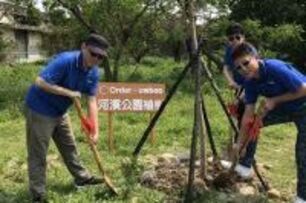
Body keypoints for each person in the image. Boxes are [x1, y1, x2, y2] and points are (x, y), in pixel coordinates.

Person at [24, 33, 109, 203]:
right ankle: (38, 194)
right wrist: (68, 93)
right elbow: (39, 82)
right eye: (93, 54)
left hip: (60, 112)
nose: (96, 59)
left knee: (70, 146)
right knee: (39, 153)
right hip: (40, 109)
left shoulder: (93, 72)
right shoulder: (66, 61)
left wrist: (95, 130)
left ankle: (82, 178)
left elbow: (92, 101)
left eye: (100, 57)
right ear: (83, 47)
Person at [232, 42, 306, 203]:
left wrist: (275, 99)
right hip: (284, 109)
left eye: (246, 63)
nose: (243, 69)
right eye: (238, 67)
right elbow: (247, 116)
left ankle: (302, 197)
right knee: (253, 124)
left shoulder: (275, 68)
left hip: (304, 107)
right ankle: (245, 165)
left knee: (303, 153)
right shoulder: (250, 82)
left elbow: (304, 88)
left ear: (255, 58)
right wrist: (239, 143)